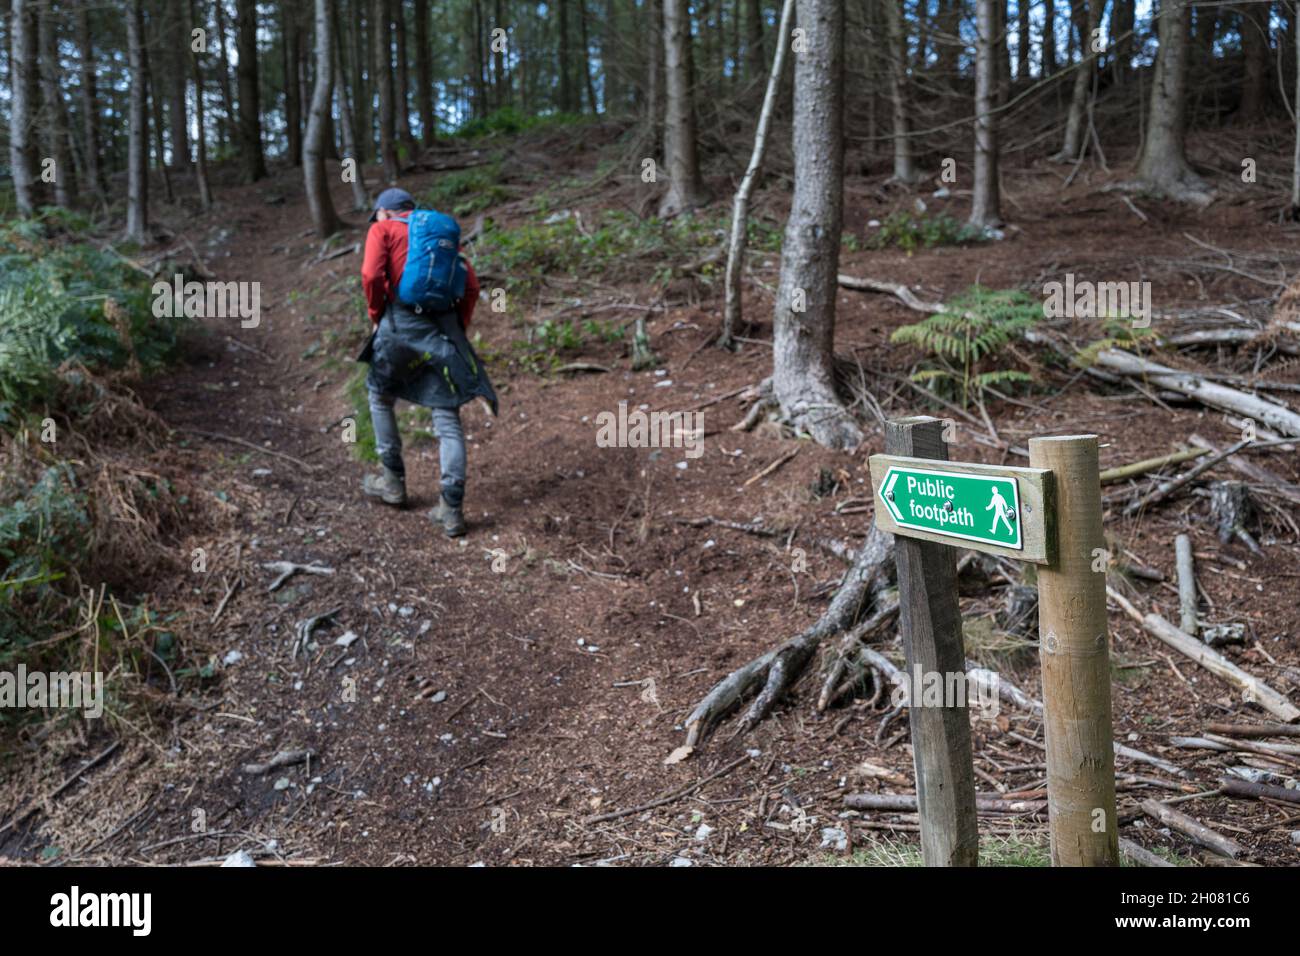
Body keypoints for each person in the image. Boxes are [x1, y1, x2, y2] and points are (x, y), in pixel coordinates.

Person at [358, 187, 498, 537]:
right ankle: (451, 510)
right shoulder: (440, 233)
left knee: (380, 395)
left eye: (376, 215)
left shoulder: (383, 230)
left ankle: (392, 481)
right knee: (447, 416)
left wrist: (377, 315)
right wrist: (457, 327)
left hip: (398, 326)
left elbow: (372, 276)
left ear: (385, 212)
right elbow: (471, 287)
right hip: (444, 330)